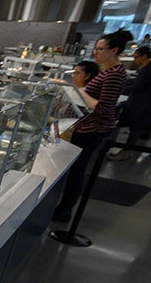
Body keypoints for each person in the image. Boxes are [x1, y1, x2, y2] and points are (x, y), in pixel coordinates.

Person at [52, 30, 132, 222]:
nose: (96, 52)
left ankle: (65, 210)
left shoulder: (114, 74)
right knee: (76, 168)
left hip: (92, 129)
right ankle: (64, 207)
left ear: (114, 50)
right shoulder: (108, 71)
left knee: (78, 169)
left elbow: (103, 108)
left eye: (101, 49)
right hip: (86, 126)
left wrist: (78, 92)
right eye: (96, 48)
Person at [109, 46, 151, 161]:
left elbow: (138, 86)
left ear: (145, 56)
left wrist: (120, 89)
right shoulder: (146, 69)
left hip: (142, 104)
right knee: (136, 126)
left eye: (136, 57)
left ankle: (126, 152)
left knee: (135, 127)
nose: (135, 60)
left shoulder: (147, 69)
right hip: (141, 102)